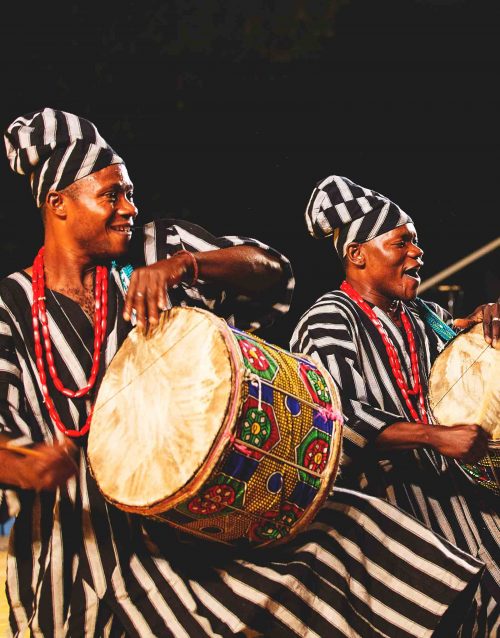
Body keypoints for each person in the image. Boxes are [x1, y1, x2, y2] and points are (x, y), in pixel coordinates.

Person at [0, 110, 486, 638]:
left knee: (359, 532)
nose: (129, 209)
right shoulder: (11, 308)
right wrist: (21, 465)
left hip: (194, 524)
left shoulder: (157, 248)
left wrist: (188, 265)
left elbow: (272, 270)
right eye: (112, 195)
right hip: (74, 547)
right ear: (58, 204)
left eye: (131, 194)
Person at [291, 174, 500, 637]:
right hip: (383, 502)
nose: (417, 253)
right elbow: (333, 415)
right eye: (402, 242)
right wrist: (433, 435)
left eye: (418, 243)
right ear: (357, 254)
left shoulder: (421, 315)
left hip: (449, 491)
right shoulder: (327, 319)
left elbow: (459, 340)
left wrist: (485, 322)